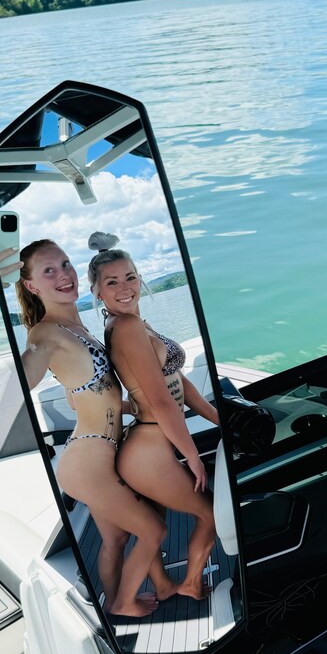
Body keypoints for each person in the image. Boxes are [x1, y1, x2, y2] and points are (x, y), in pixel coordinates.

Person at [11, 239, 177, 617]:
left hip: (97, 452)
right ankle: (122, 602)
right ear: (32, 286)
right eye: (49, 270)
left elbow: (78, 399)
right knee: (153, 530)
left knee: (116, 538)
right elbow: (24, 373)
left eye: (65, 264)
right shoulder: (45, 334)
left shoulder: (77, 327)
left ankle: (129, 597)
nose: (63, 275)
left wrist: (133, 406)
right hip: (88, 463)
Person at [87, 232, 220, 601]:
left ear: (140, 278)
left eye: (130, 277)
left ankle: (163, 587)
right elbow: (161, 402)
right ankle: (190, 584)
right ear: (97, 292)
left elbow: (177, 382)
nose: (125, 287)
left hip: (150, 445)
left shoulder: (134, 322)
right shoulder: (127, 327)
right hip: (149, 452)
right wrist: (193, 455)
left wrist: (218, 418)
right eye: (112, 282)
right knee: (210, 513)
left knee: (156, 524)